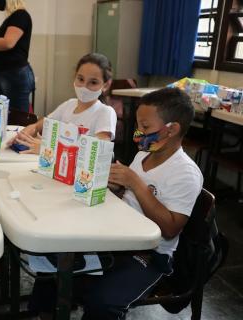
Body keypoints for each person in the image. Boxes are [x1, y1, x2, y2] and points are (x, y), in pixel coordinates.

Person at [29, 87, 203, 320]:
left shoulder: (185, 173)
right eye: (138, 126)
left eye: (146, 127)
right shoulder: (144, 154)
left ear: (172, 129)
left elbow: (171, 228)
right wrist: (115, 185)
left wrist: (136, 183)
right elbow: (128, 198)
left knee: (104, 302)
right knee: (53, 272)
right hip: (119, 237)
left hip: (150, 255)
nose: (138, 132)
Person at [9, 53, 117, 154]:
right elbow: (39, 125)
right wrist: (23, 135)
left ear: (106, 85)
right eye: (80, 79)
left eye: (93, 82)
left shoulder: (105, 112)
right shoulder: (69, 105)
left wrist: (49, 148)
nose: (84, 86)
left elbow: (98, 151)